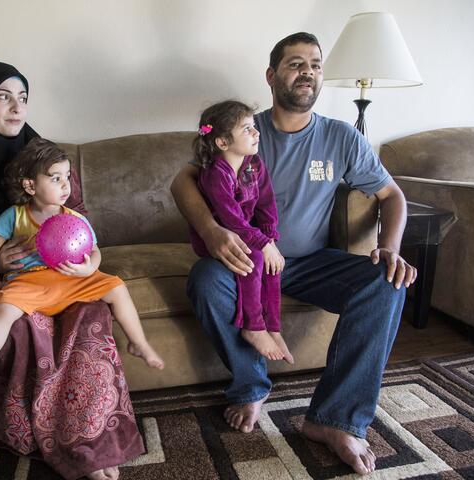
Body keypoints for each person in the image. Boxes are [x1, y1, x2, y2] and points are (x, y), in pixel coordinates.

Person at [170, 33, 417, 476]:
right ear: (271, 76)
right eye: (295, 63)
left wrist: (389, 247)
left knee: (387, 282)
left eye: (316, 65)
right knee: (205, 279)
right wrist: (211, 230)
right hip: (249, 261)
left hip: (311, 264)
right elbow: (182, 181)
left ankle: (333, 419)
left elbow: (392, 195)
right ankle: (251, 385)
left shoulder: (342, 138)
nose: (308, 72)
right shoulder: (245, 130)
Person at [0, 61, 144, 480]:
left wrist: (83, 262)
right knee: (26, 327)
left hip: (62, 276)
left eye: (23, 97)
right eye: (3, 96)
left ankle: (93, 440)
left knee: (93, 318)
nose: (16, 108)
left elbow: (76, 215)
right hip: (0, 284)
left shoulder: (43, 155)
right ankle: (44, 438)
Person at [0, 138, 164, 391]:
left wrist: (89, 269)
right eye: (55, 178)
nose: (65, 185)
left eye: (67, 177)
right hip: (30, 282)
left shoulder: (74, 217)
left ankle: (138, 342)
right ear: (30, 185)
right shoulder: (15, 215)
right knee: (2, 310)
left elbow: (94, 250)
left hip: (71, 279)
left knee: (116, 286)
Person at [189, 100, 292, 363]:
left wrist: (269, 238)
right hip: (218, 238)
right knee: (257, 258)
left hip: (246, 232)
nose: (256, 133)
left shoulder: (254, 164)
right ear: (222, 142)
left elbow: (267, 203)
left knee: (273, 265)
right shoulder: (216, 174)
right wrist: (263, 245)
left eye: (254, 127)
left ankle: (273, 327)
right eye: (247, 129)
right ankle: (253, 326)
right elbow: (231, 220)